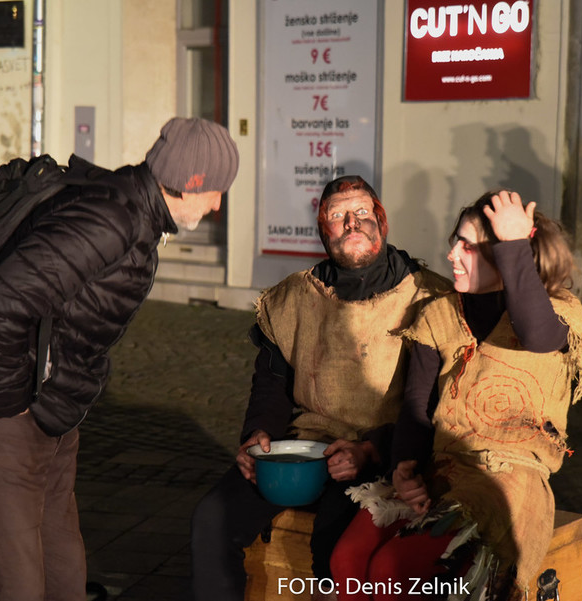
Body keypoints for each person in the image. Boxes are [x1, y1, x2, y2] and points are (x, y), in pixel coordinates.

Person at [0, 117, 240, 601]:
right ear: (189, 181)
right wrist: (11, 406)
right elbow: (0, 303)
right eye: (216, 190)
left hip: (47, 405)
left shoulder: (134, 214)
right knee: (14, 577)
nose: (218, 204)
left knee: (60, 562)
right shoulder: (111, 219)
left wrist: (50, 401)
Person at [189, 175, 451, 601]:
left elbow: (434, 407)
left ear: (382, 221)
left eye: (362, 212)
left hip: (386, 455)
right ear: (322, 230)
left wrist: (371, 450)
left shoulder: (429, 298)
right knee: (212, 520)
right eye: (337, 216)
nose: (352, 223)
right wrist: (258, 434)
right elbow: (272, 382)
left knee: (333, 551)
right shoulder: (293, 298)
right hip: (305, 449)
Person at [329, 190, 582, 599]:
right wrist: (404, 469)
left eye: (468, 246)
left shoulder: (558, 311)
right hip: (443, 469)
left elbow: (536, 335)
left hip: (505, 479)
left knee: (391, 567)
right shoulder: (438, 314)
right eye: (455, 241)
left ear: (506, 254)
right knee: (346, 560)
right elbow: (418, 407)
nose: (452, 254)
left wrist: (514, 243)